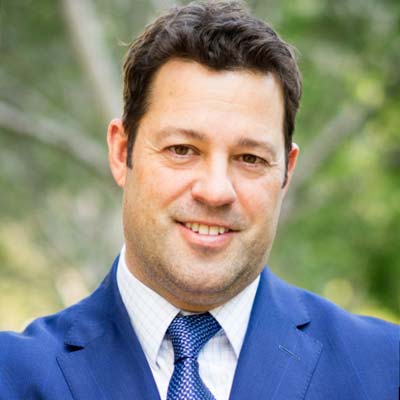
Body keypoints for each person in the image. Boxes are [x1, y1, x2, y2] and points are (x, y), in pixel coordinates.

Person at [0, 1, 398, 399]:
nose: (215, 191)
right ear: (122, 153)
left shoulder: (386, 370)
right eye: (182, 150)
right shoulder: (12, 377)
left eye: (250, 158)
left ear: (286, 173)